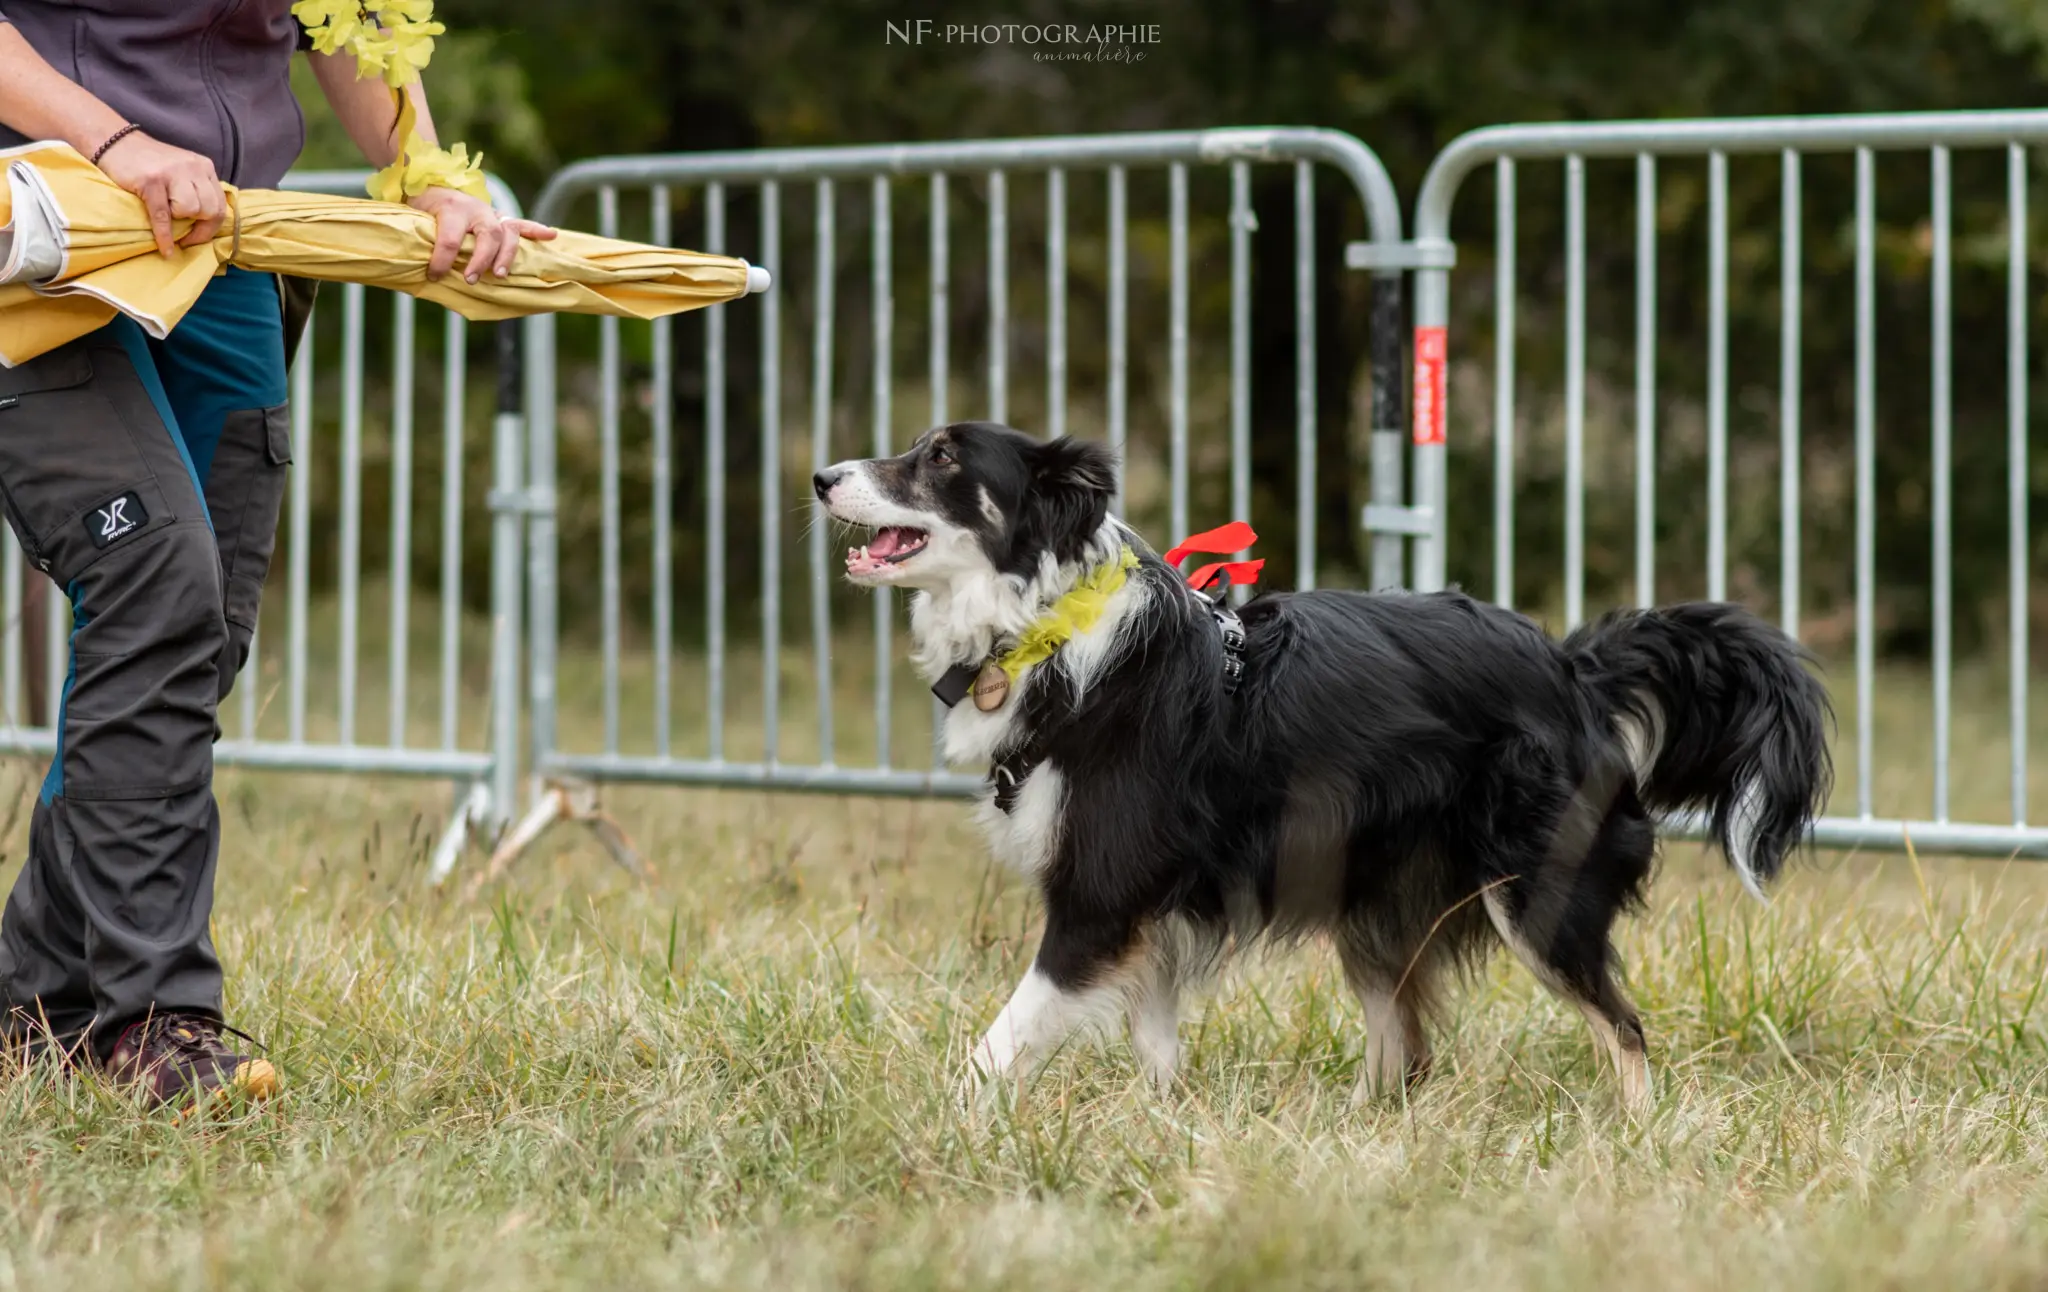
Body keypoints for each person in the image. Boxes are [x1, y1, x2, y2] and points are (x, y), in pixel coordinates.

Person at [0, 2, 552, 1107]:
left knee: (197, 627)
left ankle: (33, 1000)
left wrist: (427, 173)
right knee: (156, 581)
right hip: (42, 230)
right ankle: (151, 1015)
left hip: (225, 245)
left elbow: (354, 22)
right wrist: (118, 140)